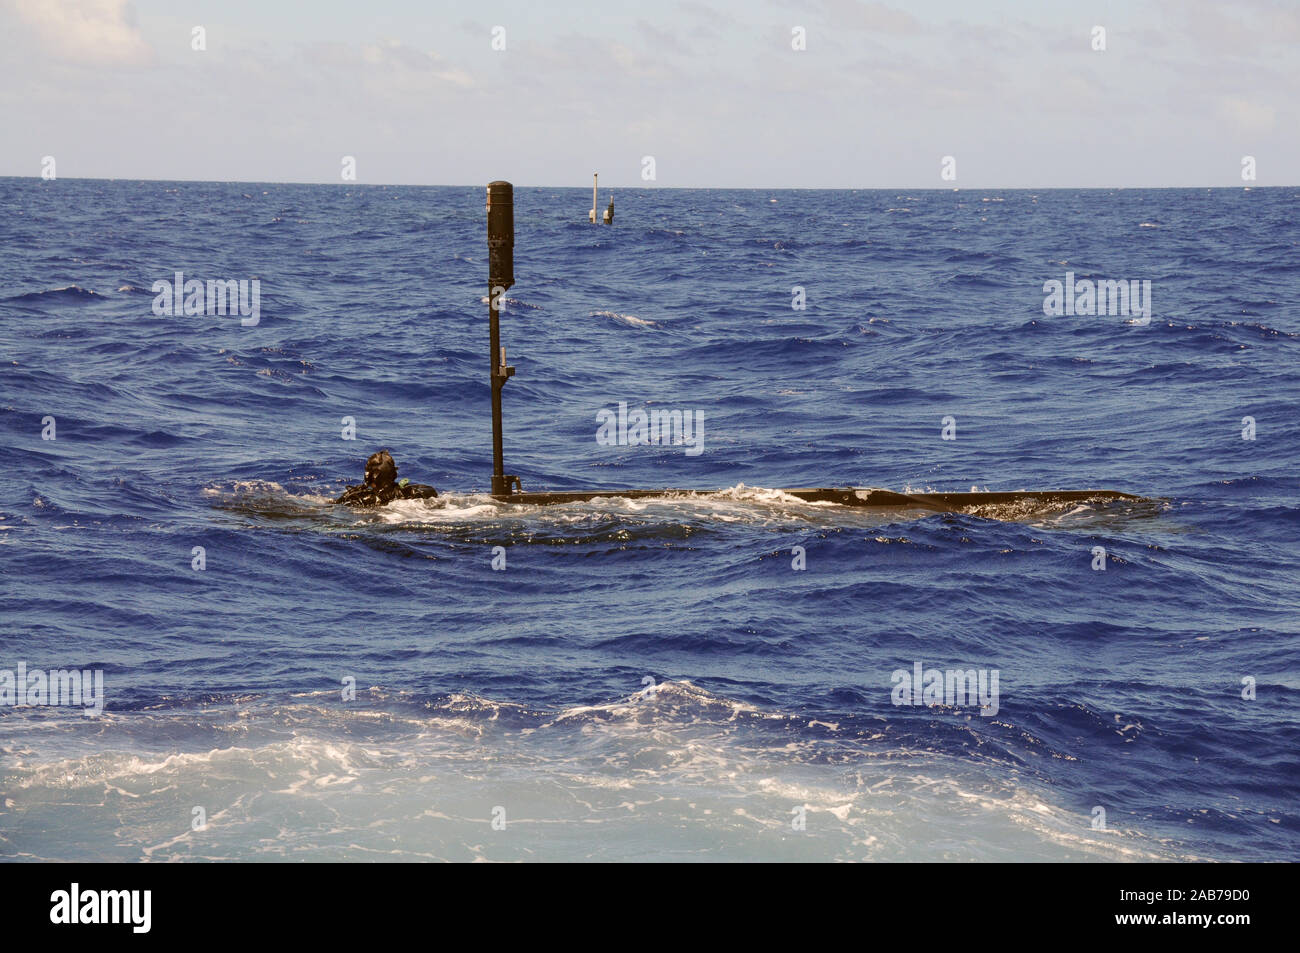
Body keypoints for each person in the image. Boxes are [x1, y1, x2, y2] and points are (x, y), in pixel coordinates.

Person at [333, 450, 438, 506]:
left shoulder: (358, 498)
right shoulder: (410, 493)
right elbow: (432, 492)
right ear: (394, 474)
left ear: (368, 476)